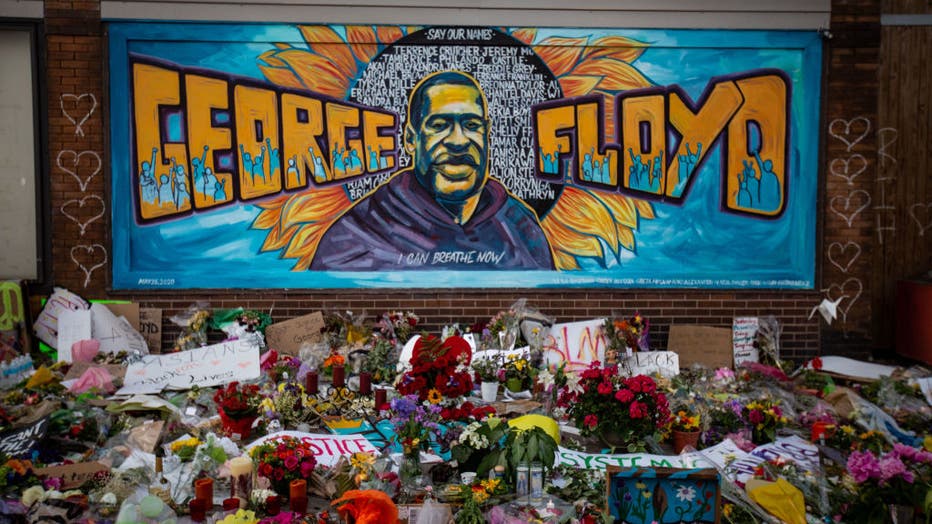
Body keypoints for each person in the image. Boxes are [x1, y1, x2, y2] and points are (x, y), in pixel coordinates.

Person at [311, 70, 554, 271]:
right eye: (439, 125)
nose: (458, 141)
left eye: (471, 125)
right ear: (410, 139)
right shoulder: (357, 235)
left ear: (487, 134)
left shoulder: (521, 229)